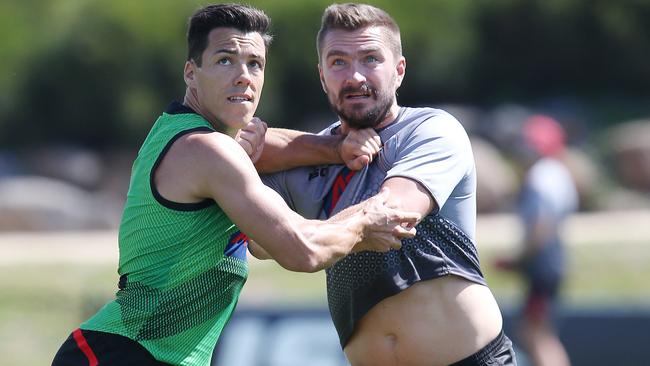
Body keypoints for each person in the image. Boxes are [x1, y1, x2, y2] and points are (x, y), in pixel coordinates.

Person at [50, 4, 421, 366]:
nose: (243, 76)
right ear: (191, 73)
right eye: (225, 60)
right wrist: (365, 221)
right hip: (120, 353)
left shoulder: (192, 135)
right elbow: (302, 250)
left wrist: (334, 147)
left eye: (255, 64)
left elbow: (263, 166)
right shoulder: (207, 150)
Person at [258, 3, 516, 365]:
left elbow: (392, 214)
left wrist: (306, 238)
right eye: (338, 62)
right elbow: (259, 240)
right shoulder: (308, 157)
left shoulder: (431, 130)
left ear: (399, 71)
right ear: (322, 77)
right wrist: (320, 148)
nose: (355, 77)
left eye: (370, 59)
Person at [495, 115, 577, 366]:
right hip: (552, 258)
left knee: (537, 333)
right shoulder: (557, 172)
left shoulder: (542, 175)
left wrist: (520, 258)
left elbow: (542, 225)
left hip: (544, 260)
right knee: (537, 330)